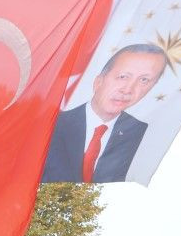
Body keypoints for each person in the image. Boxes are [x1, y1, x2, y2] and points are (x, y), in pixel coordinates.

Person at [41, 43, 168, 183]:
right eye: (123, 76)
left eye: (144, 80)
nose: (128, 89)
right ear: (98, 82)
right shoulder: (51, 125)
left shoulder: (143, 135)